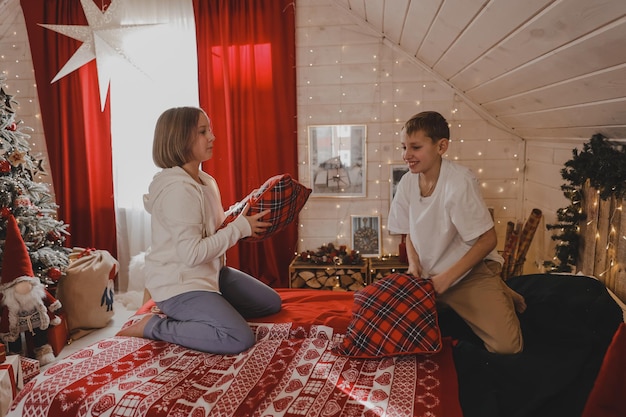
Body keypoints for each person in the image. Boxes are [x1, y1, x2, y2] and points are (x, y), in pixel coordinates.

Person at [117, 106, 282, 355]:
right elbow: (192, 254)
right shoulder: (178, 191)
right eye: (203, 131)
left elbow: (212, 225)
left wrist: (241, 212)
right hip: (180, 284)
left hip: (209, 273)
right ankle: (154, 326)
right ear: (181, 139)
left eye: (210, 129)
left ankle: (211, 308)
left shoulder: (205, 181)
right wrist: (240, 229)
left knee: (271, 303)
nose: (212, 137)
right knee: (238, 337)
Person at [388, 111, 526, 354]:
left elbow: (487, 240)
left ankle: (497, 287)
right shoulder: (408, 182)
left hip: (467, 274)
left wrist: (445, 280)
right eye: (404, 147)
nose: (406, 155)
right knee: (391, 331)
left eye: (415, 147)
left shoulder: (459, 181)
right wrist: (413, 267)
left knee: (507, 348)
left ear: (441, 146)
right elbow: (409, 232)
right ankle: (495, 291)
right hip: (430, 278)